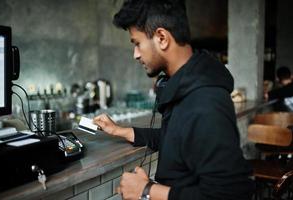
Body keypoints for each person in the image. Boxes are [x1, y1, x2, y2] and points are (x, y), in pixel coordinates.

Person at [93, 0, 254, 199]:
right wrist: (121, 131)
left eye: (137, 43)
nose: (135, 54)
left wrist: (146, 191)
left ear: (162, 37)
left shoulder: (205, 102)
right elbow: (176, 139)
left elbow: (229, 195)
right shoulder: (183, 86)